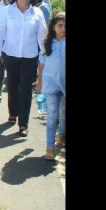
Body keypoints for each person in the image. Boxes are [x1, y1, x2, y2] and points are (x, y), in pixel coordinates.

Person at [0, 0, 47, 137]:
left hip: (30, 57)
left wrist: (44, 58)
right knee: (12, 86)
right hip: (10, 55)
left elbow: (42, 37)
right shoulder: (6, 12)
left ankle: (23, 123)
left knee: (25, 90)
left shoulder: (36, 13)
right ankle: (13, 113)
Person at [36, 12, 66, 161]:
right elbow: (42, 65)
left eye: (65, 26)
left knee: (63, 113)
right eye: (60, 25)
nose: (63, 29)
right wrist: (39, 83)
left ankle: (61, 135)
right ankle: (50, 148)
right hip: (50, 84)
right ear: (53, 27)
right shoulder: (48, 44)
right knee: (52, 115)